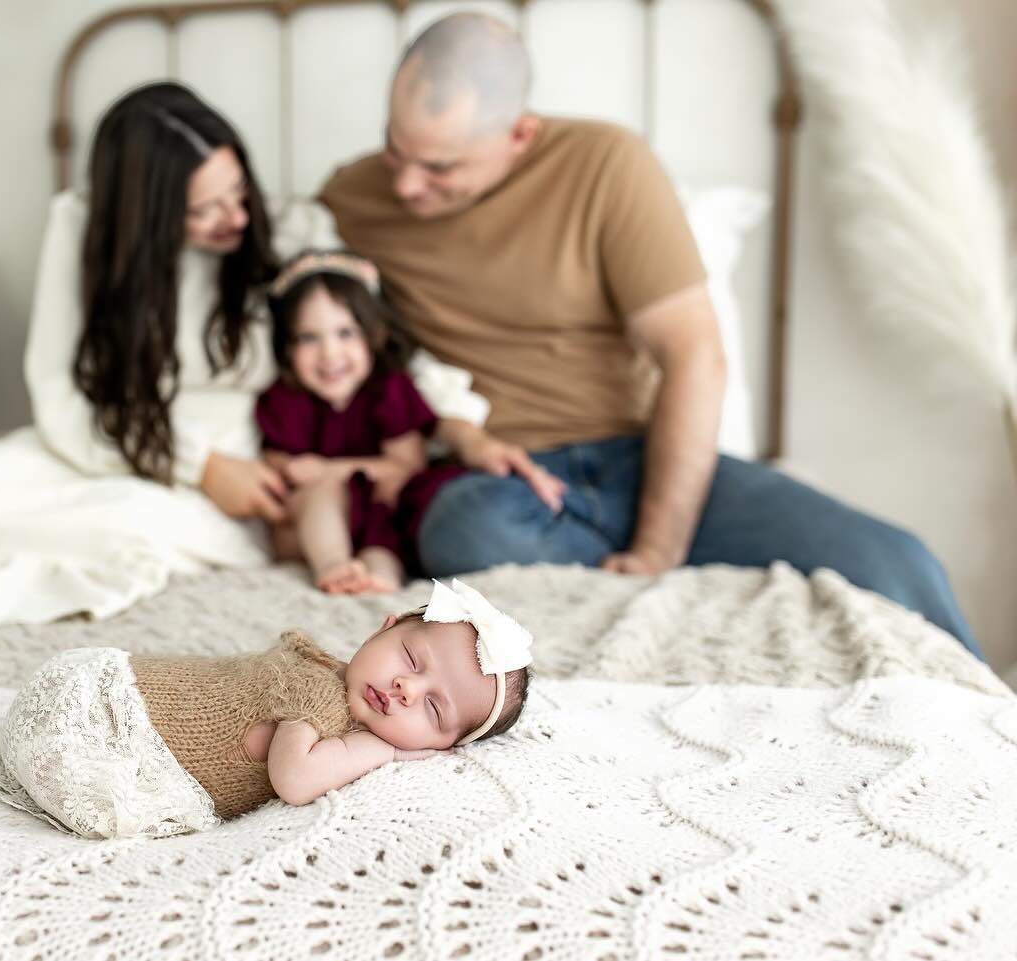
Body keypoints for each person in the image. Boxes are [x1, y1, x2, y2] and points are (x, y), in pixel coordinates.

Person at [317, 13, 982, 657]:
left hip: (646, 457)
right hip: (510, 480)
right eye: (394, 149)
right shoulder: (351, 201)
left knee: (896, 560)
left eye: (440, 168)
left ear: (520, 134)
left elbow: (695, 355)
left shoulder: (606, 164)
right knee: (460, 530)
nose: (405, 184)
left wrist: (658, 549)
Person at [0, 81, 503, 624]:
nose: (235, 217)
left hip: (246, 471)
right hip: (112, 442)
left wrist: (461, 421)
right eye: (204, 208)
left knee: (108, 533)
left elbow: (376, 342)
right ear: (148, 214)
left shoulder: (288, 229)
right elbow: (64, 400)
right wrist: (195, 464)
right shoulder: (81, 228)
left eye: (237, 191)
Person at [0, 578, 533, 838]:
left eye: (431, 709)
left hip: (81, 701)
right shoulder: (316, 691)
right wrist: (377, 746)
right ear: (383, 627)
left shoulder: (340, 698)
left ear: (446, 747)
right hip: (93, 707)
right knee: (104, 807)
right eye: (409, 657)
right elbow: (295, 779)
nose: (405, 688)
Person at [257, 250, 567, 593]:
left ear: (376, 335)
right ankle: (333, 566)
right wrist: (307, 474)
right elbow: (282, 467)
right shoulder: (286, 398)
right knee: (320, 494)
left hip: (382, 507)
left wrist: (329, 469)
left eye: (346, 333)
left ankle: (379, 581)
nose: (330, 353)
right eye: (309, 338)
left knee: (383, 536)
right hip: (319, 520)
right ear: (286, 348)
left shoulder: (389, 389)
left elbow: (405, 466)